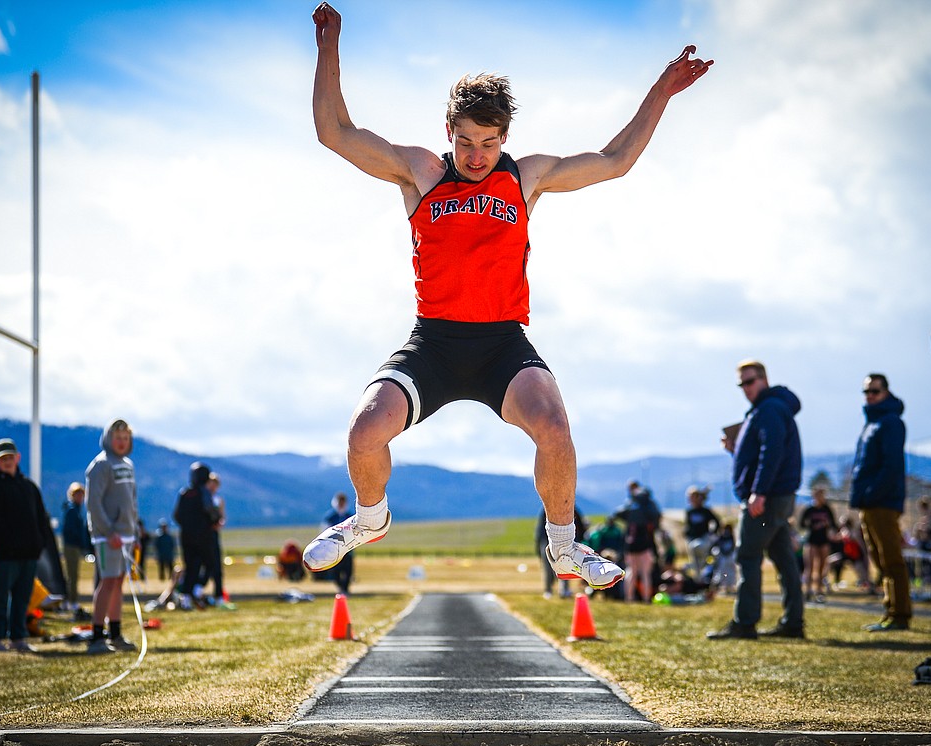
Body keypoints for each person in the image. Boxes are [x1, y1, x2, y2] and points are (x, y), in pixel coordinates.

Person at [301, 2, 711, 594]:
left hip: (501, 344)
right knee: (365, 429)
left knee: (555, 426)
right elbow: (333, 132)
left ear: (505, 139)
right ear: (449, 133)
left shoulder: (524, 177)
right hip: (434, 343)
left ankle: (566, 548)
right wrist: (329, 46)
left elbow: (615, 160)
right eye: (465, 141)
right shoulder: (421, 172)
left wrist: (663, 91)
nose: (475, 156)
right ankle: (369, 520)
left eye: (488, 143)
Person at [708, 360, 804, 640]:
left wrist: (759, 492)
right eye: (742, 384)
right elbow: (761, 454)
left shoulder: (770, 409)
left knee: (747, 555)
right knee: (783, 558)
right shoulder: (766, 409)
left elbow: (771, 453)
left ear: (764, 379)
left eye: (750, 382)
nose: (746, 389)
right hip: (774, 497)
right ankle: (792, 623)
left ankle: (745, 622)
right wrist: (736, 451)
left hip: (767, 499)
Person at [848, 373, 911, 631]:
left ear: (886, 392)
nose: (869, 396)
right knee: (879, 559)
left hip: (882, 502)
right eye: (866, 392)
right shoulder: (872, 423)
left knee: (891, 559)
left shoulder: (890, 422)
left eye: (874, 391)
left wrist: (872, 493)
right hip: (869, 503)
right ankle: (890, 609)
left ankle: (900, 614)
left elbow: (891, 465)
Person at [0, 438, 50, 653]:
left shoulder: (28, 486)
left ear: (18, 458)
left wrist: (39, 543)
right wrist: (10, 543)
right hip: (5, 554)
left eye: (11, 457)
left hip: (28, 553)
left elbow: (40, 517)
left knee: (22, 599)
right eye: (3, 459)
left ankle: (18, 637)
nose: (8, 461)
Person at [84, 419, 140, 655]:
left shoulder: (128, 464)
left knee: (118, 582)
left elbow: (132, 502)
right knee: (107, 582)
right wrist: (109, 531)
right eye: (117, 438)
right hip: (108, 537)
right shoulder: (101, 465)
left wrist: (134, 532)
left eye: (125, 438)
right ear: (108, 439)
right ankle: (97, 636)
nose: (121, 442)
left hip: (126, 536)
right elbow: (93, 503)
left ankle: (115, 633)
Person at [173, 461, 221, 610]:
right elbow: (211, 512)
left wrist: (188, 526)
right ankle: (197, 590)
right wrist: (214, 520)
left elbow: (176, 515)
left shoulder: (184, 493)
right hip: (204, 536)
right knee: (210, 564)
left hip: (186, 536)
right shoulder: (203, 492)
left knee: (191, 567)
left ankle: (186, 599)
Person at [612, 481, 661, 603]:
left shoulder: (630, 505)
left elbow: (617, 513)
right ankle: (646, 599)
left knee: (630, 571)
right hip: (645, 542)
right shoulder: (648, 505)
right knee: (645, 573)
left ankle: (629, 598)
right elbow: (657, 519)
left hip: (630, 543)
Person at [536, 504, 586, 598]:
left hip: (565, 542)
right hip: (547, 541)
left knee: (565, 566)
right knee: (548, 567)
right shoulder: (547, 509)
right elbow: (541, 530)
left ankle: (564, 590)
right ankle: (548, 590)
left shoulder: (573, 509)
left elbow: (580, 527)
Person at [798, 485, 836, 604]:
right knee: (809, 566)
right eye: (817, 494)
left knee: (821, 567)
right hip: (811, 540)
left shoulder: (826, 508)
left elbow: (833, 524)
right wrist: (811, 526)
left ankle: (819, 591)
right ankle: (807, 590)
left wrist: (827, 526)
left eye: (821, 495)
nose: (819, 497)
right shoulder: (809, 509)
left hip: (823, 540)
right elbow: (801, 524)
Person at [60, 482, 92, 617]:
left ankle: (70, 599)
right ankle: (71, 600)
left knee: (73, 575)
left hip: (74, 545)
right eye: (77, 494)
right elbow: (70, 530)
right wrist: (80, 540)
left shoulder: (77, 510)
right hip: (71, 546)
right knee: (72, 575)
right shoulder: (72, 510)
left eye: (81, 494)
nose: (80, 497)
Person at [203, 472, 232, 607]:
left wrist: (219, 523)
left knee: (216, 566)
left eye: (215, 484)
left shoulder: (218, 500)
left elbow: (222, 517)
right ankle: (197, 591)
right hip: (203, 535)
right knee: (206, 565)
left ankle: (218, 595)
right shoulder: (203, 498)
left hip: (213, 534)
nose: (213, 486)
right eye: (211, 483)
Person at [683, 485, 720, 580]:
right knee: (695, 562)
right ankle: (698, 580)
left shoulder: (705, 511)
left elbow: (717, 521)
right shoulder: (689, 512)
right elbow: (688, 525)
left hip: (703, 538)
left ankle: (706, 577)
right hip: (692, 539)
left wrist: (712, 534)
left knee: (702, 558)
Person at [322, 492, 355, 595]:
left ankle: (345, 588)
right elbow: (324, 530)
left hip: (348, 548)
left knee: (348, 570)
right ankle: (340, 588)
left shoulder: (350, 516)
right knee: (335, 570)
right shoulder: (330, 516)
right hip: (334, 548)